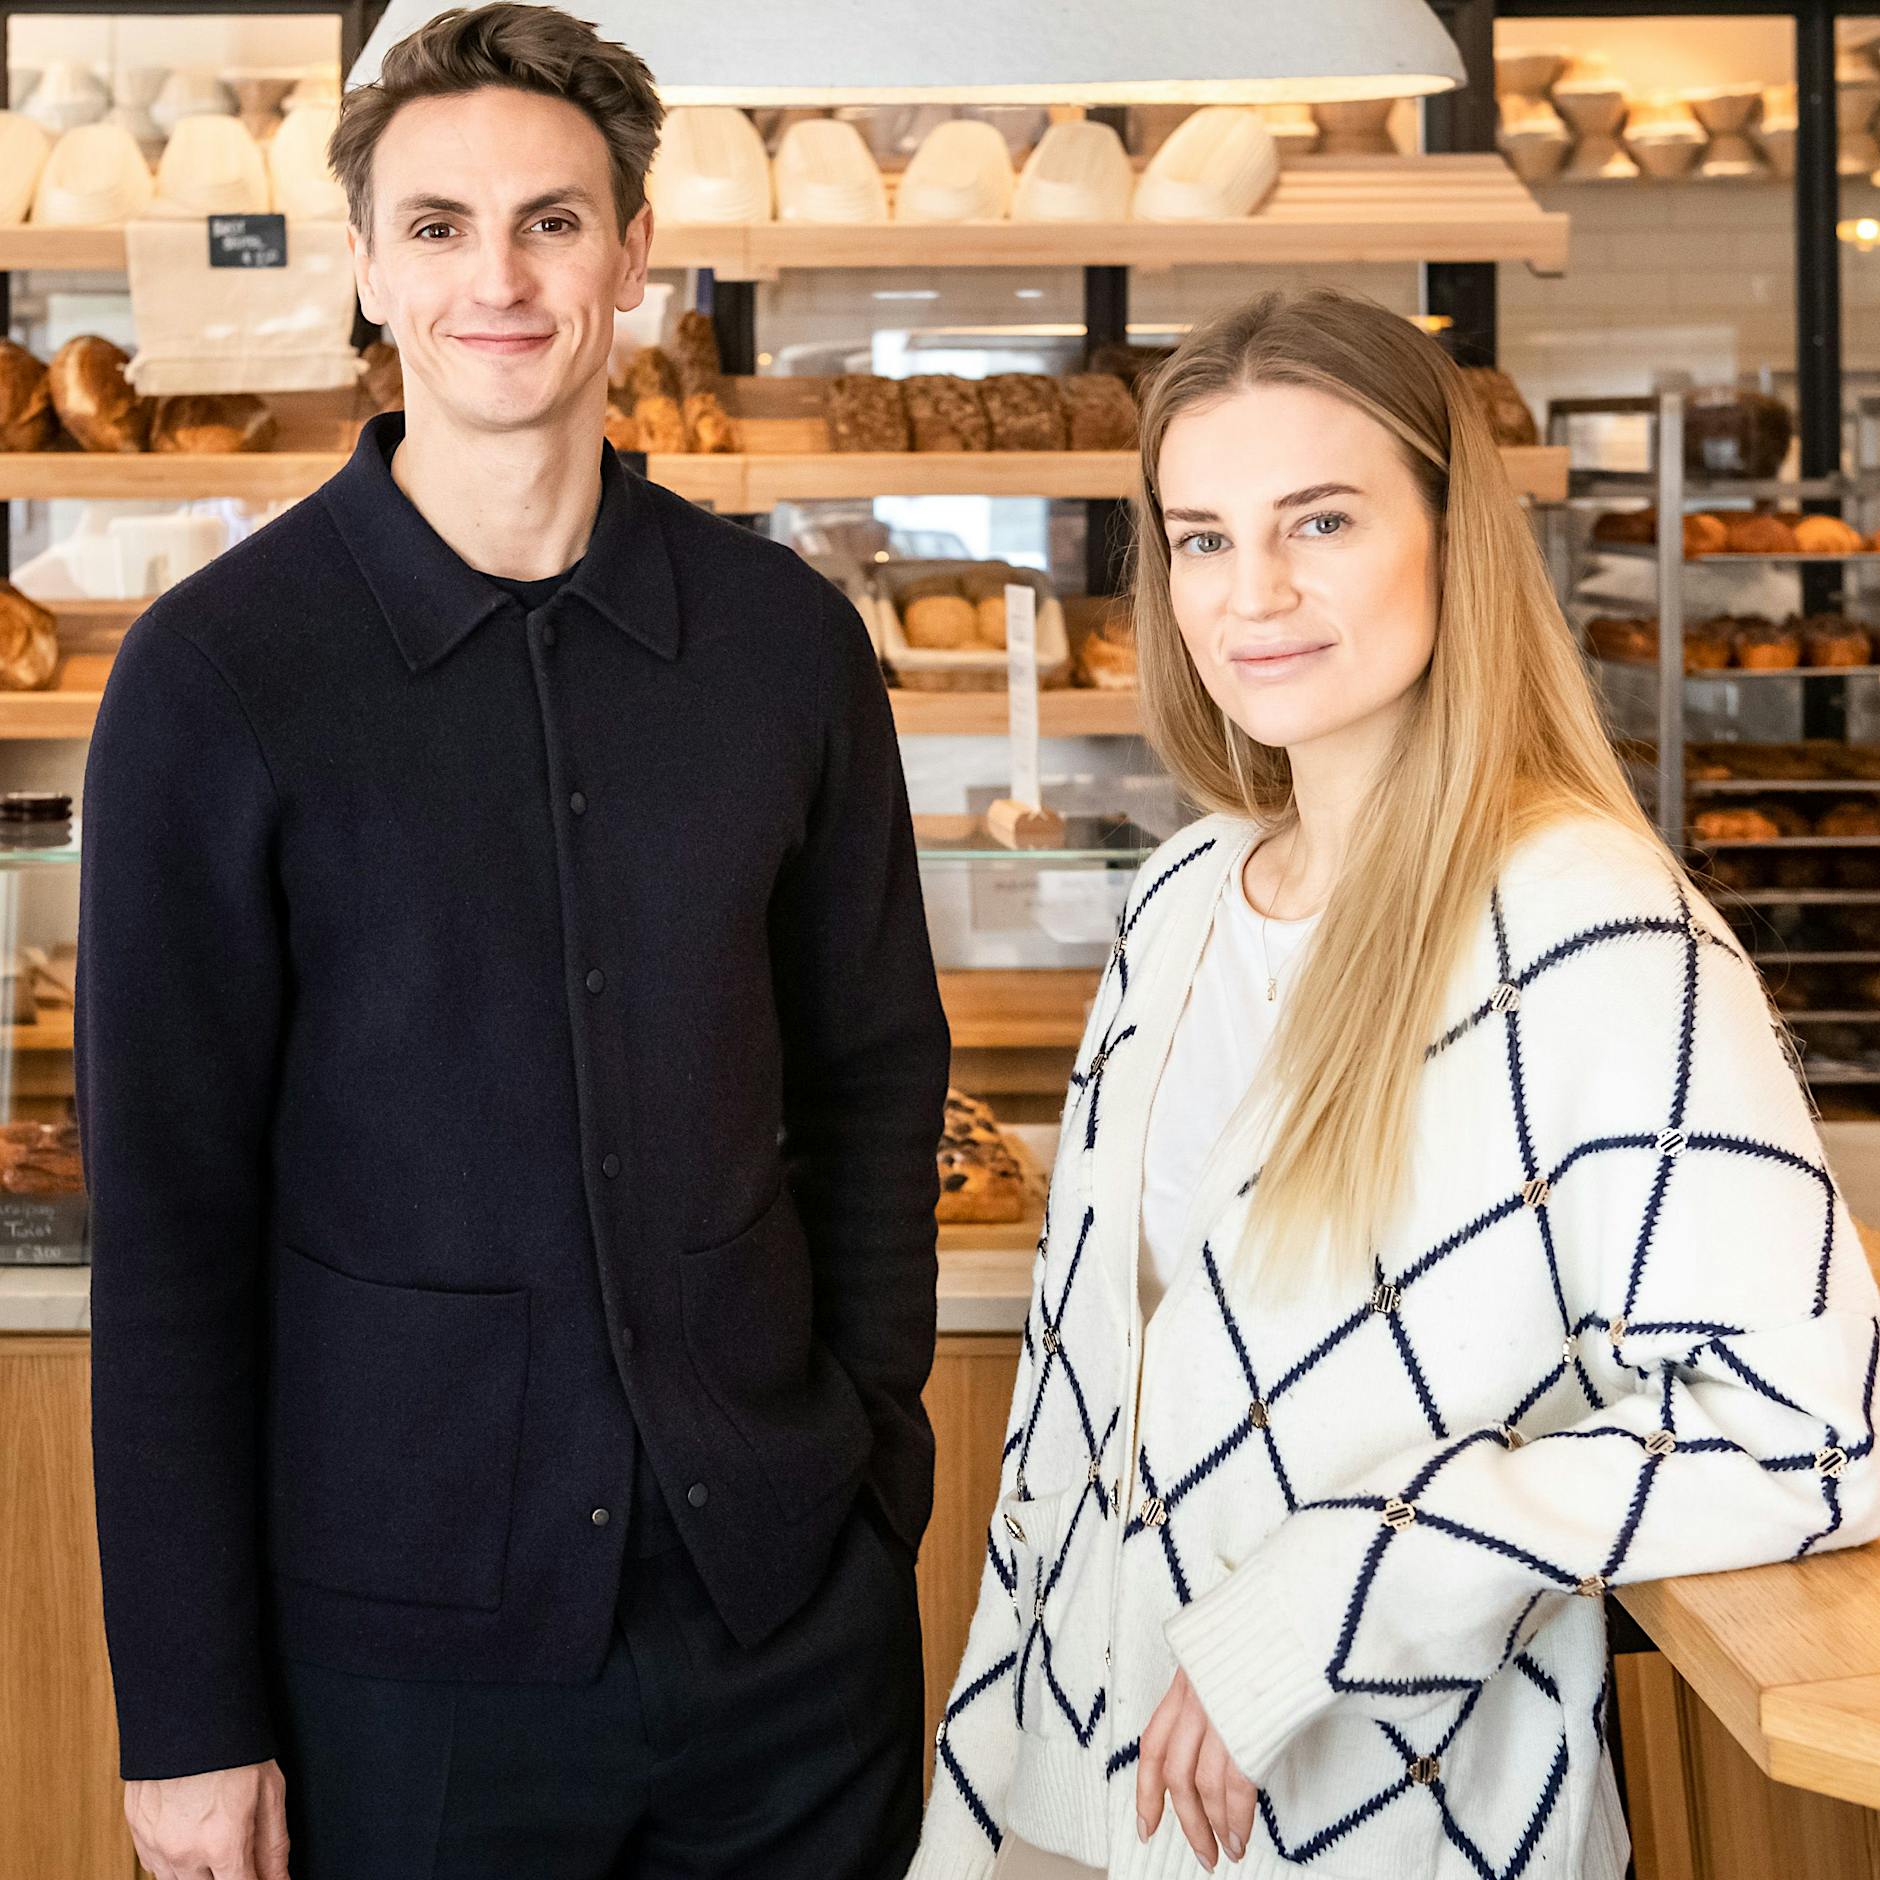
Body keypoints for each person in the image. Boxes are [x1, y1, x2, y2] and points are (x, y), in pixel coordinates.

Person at [75, 7, 949, 1877]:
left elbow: (876, 1085)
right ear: (371, 267)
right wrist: (189, 1713)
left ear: (636, 256)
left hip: (790, 1648)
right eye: (445, 225)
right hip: (401, 1676)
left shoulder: (784, 644)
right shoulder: (216, 679)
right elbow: (166, 1223)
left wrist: (872, 1479)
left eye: (553, 223)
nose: (502, 276)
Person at [909, 287, 1880, 1880]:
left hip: (1391, 1829)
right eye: (1203, 539)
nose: (1256, 592)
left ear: (1450, 533)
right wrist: (995, 1809)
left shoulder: (1589, 932)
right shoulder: (1179, 904)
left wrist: (1347, 1581)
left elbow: (1813, 1430)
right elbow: (1072, 1431)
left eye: (1322, 520)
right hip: (1076, 1807)